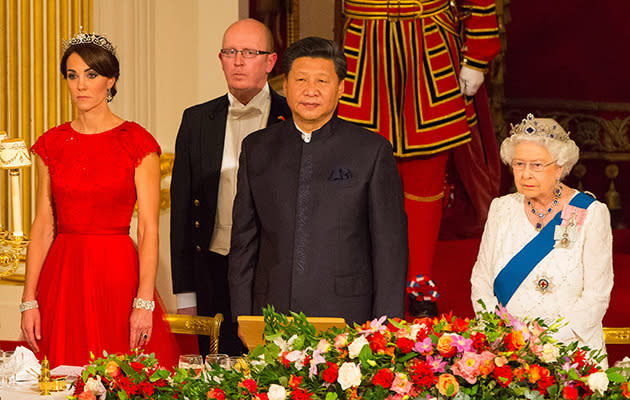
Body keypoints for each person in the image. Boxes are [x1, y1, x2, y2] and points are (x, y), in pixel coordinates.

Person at [20, 30, 179, 367]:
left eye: (91, 75)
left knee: (121, 375)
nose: (81, 85)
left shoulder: (136, 142)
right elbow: (44, 224)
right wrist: (28, 299)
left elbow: (149, 229)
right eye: (72, 75)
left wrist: (144, 302)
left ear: (111, 80)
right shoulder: (52, 143)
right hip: (61, 278)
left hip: (117, 276)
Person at [228, 36, 408, 326]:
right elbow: (243, 245)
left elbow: (390, 250)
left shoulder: (371, 151)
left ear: (341, 89)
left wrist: (385, 327)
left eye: (322, 81)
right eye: (300, 80)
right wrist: (242, 318)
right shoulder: (257, 148)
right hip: (271, 314)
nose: (310, 91)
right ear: (284, 87)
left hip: (348, 317)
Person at [337, 0, 501, 314]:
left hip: (429, 46)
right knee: (362, 178)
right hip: (364, 48)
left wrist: (478, 55)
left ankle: (420, 288)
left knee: (425, 182)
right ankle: (366, 284)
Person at [170, 18, 290, 356]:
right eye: (230, 52)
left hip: (271, 273)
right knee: (214, 373)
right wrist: (185, 293)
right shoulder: (195, 120)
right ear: (220, 58)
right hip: (211, 269)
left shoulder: (292, 117)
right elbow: (181, 210)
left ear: (270, 61)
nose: (238, 61)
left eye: (250, 52)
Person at [470, 114, 613, 366]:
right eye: (518, 164)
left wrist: (546, 343)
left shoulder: (590, 213)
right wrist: (503, 335)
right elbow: (481, 281)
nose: (525, 174)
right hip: (508, 349)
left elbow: (596, 295)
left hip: (572, 350)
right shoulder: (501, 209)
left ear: (559, 167)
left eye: (537, 165)